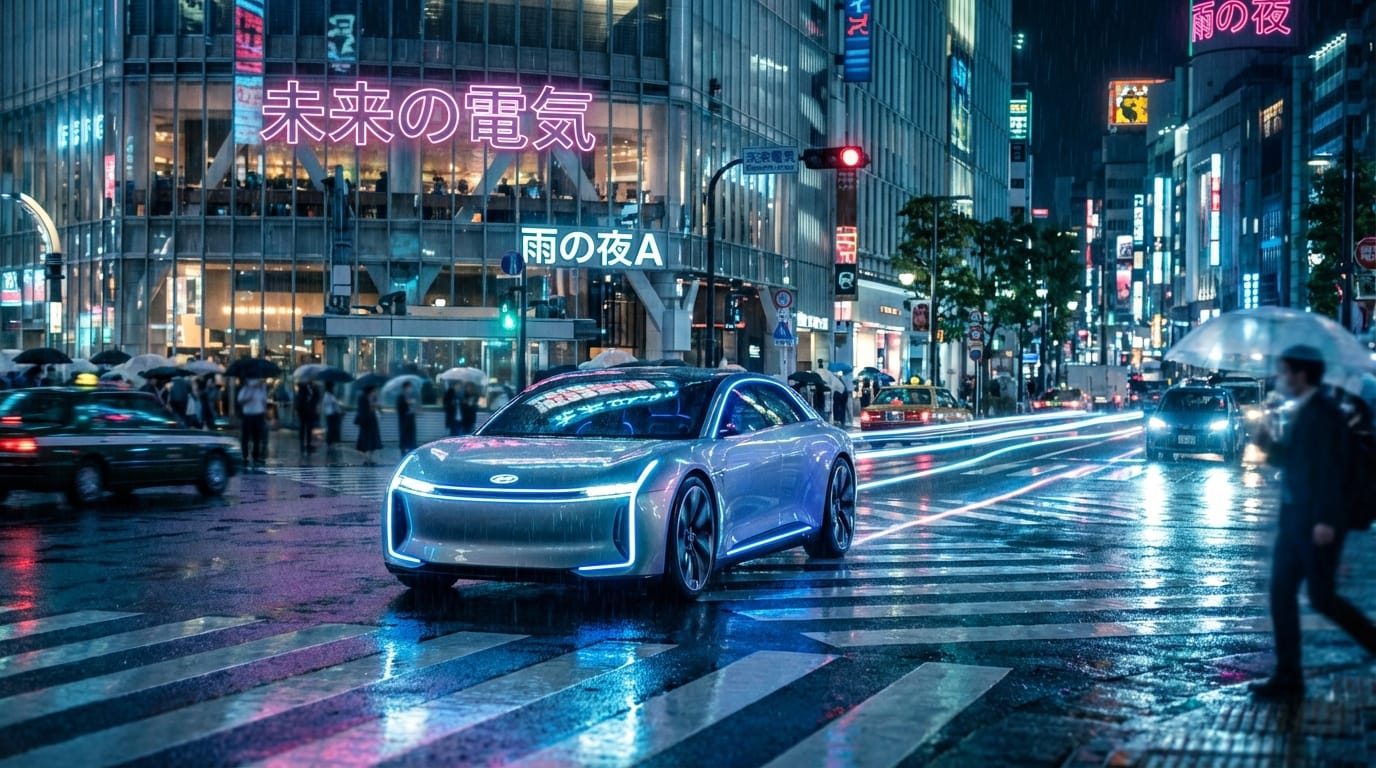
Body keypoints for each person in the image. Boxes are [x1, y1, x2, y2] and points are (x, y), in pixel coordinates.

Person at [1250, 345, 1376, 699]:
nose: (1281, 378)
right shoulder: (1307, 411)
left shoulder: (1324, 415)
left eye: (1285, 371)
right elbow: (1295, 464)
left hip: (1315, 522)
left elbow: (1330, 473)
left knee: (1322, 598)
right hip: (1295, 520)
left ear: (1302, 375)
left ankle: (1291, 676)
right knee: (1281, 593)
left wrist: (1325, 520)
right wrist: (1267, 444)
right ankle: (1288, 676)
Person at [237, 378, 269, 470]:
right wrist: (249, 397)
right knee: (246, 437)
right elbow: (240, 400)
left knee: (257, 437)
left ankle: (256, 456)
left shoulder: (261, 389)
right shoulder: (246, 389)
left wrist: (264, 411)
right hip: (248, 415)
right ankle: (245, 456)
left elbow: (264, 401)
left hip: (258, 415)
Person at [355, 386, 383, 465]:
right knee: (365, 442)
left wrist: (375, 405)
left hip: (372, 422)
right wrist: (371, 406)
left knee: (372, 442)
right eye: (374, 390)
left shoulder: (373, 397)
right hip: (366, 423)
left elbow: (377, 408)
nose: (375, 392)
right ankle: (366, 459)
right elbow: (364, 410)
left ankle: (369, 459)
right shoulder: (363, 398)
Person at [295, 381, 318, 454]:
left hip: (307, 411)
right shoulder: (304, 388)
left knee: (307, 429)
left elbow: (316, 397)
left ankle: (306, 445)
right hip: (304, 411)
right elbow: (301, 399)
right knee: (304, 428)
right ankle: (304, 445)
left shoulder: (311, 388)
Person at [397, 380, 418, 453]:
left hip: (410, 419)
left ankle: (411, 448)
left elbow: (413, 407)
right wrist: (407, 403)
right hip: (404, 421)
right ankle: (404, 449)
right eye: (409, 387)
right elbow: (400, 408)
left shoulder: (409, 396)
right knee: (405, 435)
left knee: (411, 436)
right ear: (405, 388)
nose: (410, 389)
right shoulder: (401, 396)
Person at [321, 381, 343, 447]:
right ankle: (330, 442)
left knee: (331, 429)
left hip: (330, 414)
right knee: (332, 429)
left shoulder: (328, 395)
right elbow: (334, 404)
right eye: (333, 386)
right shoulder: (328, 395)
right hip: (331, 415)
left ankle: (330, 442)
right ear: (330, 387)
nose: (334, 388)